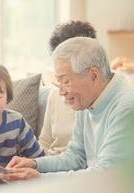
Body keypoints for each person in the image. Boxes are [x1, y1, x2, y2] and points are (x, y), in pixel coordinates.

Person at [0, 37, 134, 182]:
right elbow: (76, 157)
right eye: (59, 82)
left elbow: (104, 176)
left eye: (66, 81)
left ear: (93, 75)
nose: (62, 91)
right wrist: (35, 164)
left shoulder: (127, 108)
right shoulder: (87, 102)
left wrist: (40, 179)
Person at [39, 21, 97, 156]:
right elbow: (45, 141)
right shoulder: (55, 95)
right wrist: (36, 164)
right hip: (50, 167)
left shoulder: (98, 102)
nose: (62, 91)